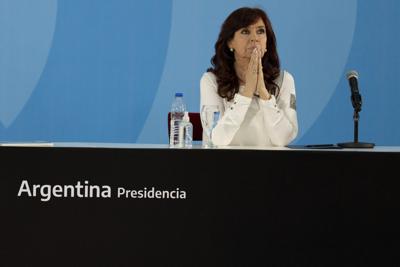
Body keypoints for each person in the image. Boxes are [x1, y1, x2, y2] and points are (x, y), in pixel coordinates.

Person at [200, 7, 298, 146]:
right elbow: (217, 139)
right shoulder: (211, 81)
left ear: (267, 42)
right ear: (230, 42)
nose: (254, 38)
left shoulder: (284, 80)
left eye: (260, 31)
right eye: (245, 32)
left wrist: (263, 93)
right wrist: (247, 93)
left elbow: (283, 139)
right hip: (224, 164)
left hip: (271, 165)